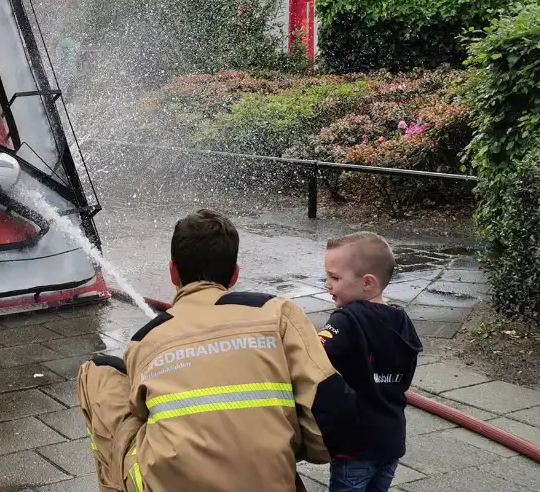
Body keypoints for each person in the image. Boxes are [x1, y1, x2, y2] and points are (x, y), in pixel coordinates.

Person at [78, 210, 353, 492]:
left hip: (166, 484)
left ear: (173, 271)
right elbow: (329, 414)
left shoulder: (145, 340)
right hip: (270, 481)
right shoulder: (278, 313)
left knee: (98, 372)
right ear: (235, 275)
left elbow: (139, 413)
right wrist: (271, 444)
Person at [320, 233, 421, 492]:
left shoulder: (345, 320)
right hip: (391, 441)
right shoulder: (401, 319)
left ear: (367, 283)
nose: (327, 285)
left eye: (335, 278)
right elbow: (406, 375)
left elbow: (313, 358)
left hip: (356, 444)